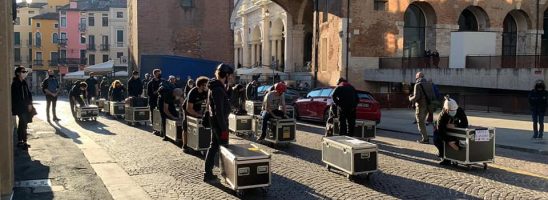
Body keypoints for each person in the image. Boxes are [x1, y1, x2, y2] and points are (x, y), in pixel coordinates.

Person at [204, 64, 234, 182]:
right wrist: (224, 129)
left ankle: (208, 173)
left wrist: (229, 88)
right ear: (226, 75)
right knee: (223, 148)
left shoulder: (216, 86)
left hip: (216, 122)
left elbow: (225, 101)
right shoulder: (217, 89)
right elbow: (219, 111)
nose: (230, 78)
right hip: (220, 124)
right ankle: (226, 174)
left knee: (214, 147)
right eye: (229, 76)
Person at [434, 97, 468, 165]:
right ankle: (444, 157)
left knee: (459, 143)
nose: (453, 112)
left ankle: (456, 157)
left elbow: (465, 123)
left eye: (454, 110)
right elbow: (440, 130)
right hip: (443, 129)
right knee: (437, 140)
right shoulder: (442, 115)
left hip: (454, 129)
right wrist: (449, 141)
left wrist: (455, 126)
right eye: (450, 111)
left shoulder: (459, 110)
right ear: (446, 109)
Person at [183, 76, 209, 152]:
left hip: (198, 108)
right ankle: (185, 145)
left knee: (200, 125)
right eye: (205, 85)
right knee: (186, 126)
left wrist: (206, 113)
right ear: (201, 85)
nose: (207, 86)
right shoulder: (193, 92)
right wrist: (197, 115)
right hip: (187, 109)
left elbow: (208, 104)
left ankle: (199, 143)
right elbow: (189, 108)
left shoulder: (206, 91)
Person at [409, 72, 435, 144]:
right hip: (428, 106)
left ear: (418, 77)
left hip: (421, 107)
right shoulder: (430, 84)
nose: (416, 79)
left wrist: (410, 98)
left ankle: (425, 139)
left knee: (420, 122)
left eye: (416, 78)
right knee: (422, 122)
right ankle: (425, 137)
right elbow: (433, 96)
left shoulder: (417, 85)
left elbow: (416, 97)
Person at [12, 66, 34, 150]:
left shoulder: (24, 82)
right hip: (19, 108)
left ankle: (21, 141)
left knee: (22, 124)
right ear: (18, 73)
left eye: (25, 71)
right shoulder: (15, 83)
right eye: (23, 71)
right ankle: (23, 141)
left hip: (26, 107)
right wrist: (27, 104)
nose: (24, 73)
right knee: (23, 124)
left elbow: (29, 94)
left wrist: (30, 103)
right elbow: (16, 97)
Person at [148, 69, 163, 133]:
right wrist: (157, 91)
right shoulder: (150, 83)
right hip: (153, 100)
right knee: (153, 114)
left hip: (161, 100)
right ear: (154, 74)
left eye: (160, 73)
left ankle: (160, 127)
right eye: (158, 73)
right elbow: (149, 93)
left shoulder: (162, 81)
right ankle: (154, 128)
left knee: (160, 113)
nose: (159, 74)